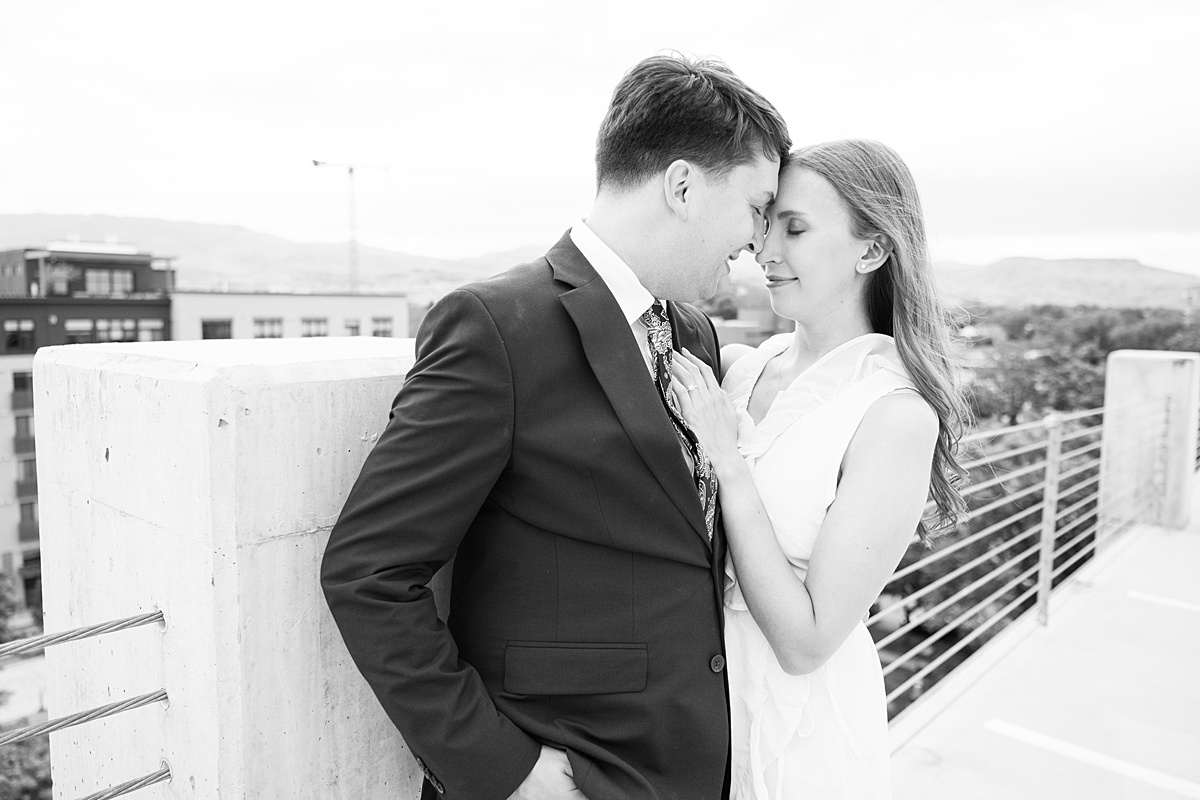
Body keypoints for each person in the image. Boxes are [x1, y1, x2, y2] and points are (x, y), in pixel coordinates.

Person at [320, 54, 790, 800]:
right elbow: (369, 572)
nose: (759, 240)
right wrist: (505, 772)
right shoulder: (497, 327)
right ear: (683, 186)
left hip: (693, 767)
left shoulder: (695, 335)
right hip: (568, 774)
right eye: (757, 207)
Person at [669, 139, 970, 800]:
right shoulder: (742, 369)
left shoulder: (894, 415)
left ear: (872, 250)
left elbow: (806, 644)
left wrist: (729, 462)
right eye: (766, 223)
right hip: (698, 710)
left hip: (801, 736)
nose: (766, 251)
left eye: (796, 229)